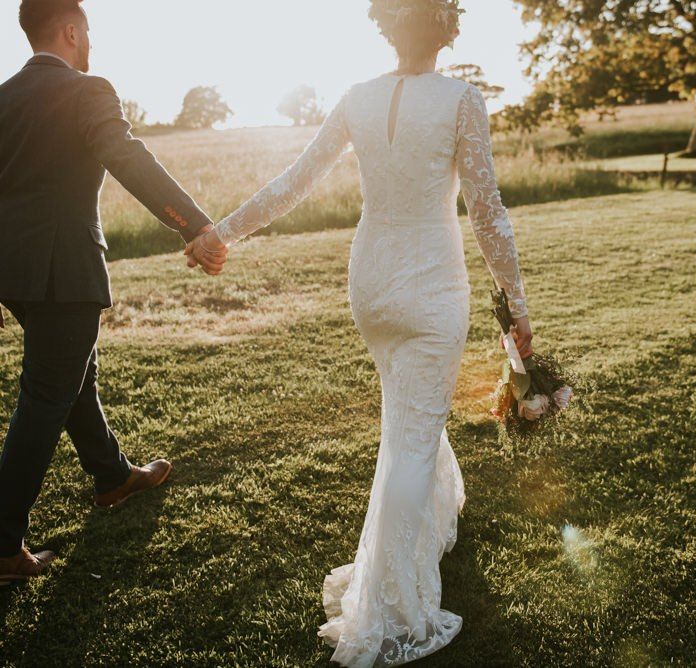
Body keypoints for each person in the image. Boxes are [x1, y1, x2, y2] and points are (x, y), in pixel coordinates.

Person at [187, 1, 532, 664]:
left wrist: (219, 233)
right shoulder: (462, 99)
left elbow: (292, 184)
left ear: (386, 27)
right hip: (432, 286)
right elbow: (487, 213)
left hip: (372, 286)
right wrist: (516, 303)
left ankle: (431, 525)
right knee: (410, 433)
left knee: (407, 418)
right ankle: (392, 611)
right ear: (447, 30)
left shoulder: (357, 97)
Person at [0, 0, 227, 585]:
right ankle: (1, 544)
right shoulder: (87, 89)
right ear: (72, 31)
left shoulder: (2, 97)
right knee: (46, 393)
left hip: (16, 277)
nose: (91, 43)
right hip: (63, 270)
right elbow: (126, 157)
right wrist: (195, 225)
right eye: (89, 32)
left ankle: (112, 476)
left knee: (74, 373)